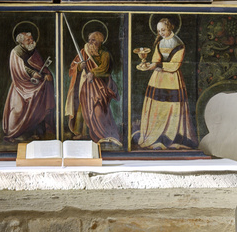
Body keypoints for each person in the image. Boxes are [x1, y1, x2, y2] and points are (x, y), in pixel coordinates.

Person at [134, 18, 197, 150]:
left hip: (172, 79)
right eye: (159, 31)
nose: (161, 33)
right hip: (158, 78)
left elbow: (175, 65)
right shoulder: (160, 43)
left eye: (163, 30)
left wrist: (157, 65)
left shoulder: (178, 44)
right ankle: (155, 135)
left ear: (170, 28)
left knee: (171, 107)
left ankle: (170, 136)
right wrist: (149, 65)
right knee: (157, 106)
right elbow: (156, 59)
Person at [65, 24, 122, 147]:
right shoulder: (83, 52)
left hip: (99, 87)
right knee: (82, 107)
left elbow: (104, 68)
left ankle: (102, 133)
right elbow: (73, 67)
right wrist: (80, 66)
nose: (90, 43)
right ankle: (82, 132)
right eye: (89, 40)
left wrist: (93, 73)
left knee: (98, 109)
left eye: (93, 40)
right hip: (84, 86)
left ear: (100, 42)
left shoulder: (105, 54)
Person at [2, 26, 55, 142]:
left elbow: (40, 66)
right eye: (28, 40)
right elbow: (19, 69)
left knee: (37, 108)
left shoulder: (33, 51)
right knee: (18, 109)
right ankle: (12, 134)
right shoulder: (16, 52)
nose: (31, 41)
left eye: (32, 39)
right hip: (21, 85)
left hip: (36, 85)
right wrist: (32, 74)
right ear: (22, 42)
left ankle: (32, 133)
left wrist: (45, 74)